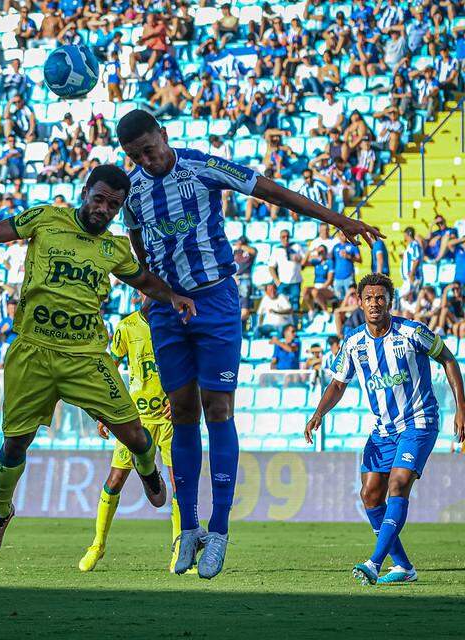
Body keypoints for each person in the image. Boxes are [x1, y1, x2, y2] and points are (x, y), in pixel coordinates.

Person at [116, 109, 381, 579]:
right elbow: (139, 248)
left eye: (149, 149)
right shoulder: (132, 192)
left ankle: (218, 529)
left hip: (215, 301)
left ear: (164, 134)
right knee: (179, 412)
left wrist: (337, 219)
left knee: (218, 409)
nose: (145, 160)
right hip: (166, 308)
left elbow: (272, 191)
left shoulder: (202, 167)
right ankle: (189, 529)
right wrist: (159, 293)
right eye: (135, 156)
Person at [0, 164, 196, 561]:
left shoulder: (114, 248)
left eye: (113, 205)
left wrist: (173, 297)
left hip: (86, 357)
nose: (104, 209)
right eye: (99, 199)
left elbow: (144, 281)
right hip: (33, 351)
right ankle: (0, 513)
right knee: (15, 444)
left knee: (135, 437)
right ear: (85, 192)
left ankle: (148, 470)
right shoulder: (47, 218)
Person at [305, 273, 465, 585]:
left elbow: (448, 360)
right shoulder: (353, 343)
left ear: (389, 301)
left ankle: (374, 562)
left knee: (399, 482)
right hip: (383, 429)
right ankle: (404, 567)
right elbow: (338, 384)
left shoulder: (412, 332)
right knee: (370, 494)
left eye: (381, 297)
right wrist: (317, 413)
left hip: (419, 421)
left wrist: (462, 408)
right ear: (360, 302)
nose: (375, 303)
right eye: (369, 298)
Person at [79, 297, 184, 574]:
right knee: (115, 480)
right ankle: (97, 545)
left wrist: (180, 397)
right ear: (141, 294)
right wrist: (105, 411)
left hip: (169, 421)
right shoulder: (127, 327)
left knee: (179, 483)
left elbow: (190, 365)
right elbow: (109, 368)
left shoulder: (176, 324)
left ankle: (179, 551)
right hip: (135, 420)